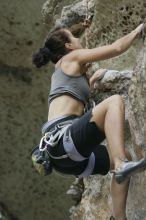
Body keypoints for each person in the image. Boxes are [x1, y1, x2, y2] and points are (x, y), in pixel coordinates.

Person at [32, 23, 146, 220]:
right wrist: (138, 29)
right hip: (64, 142)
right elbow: (117, 48)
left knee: (122, 153)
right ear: (68, 46)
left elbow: (72, 102)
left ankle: (119, 217)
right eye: (75, 38)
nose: (79, 40)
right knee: (114, 102)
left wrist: (91, 81)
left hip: (65, 159)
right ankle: (121, 164)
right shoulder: (71, 58)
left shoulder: (62, 73)